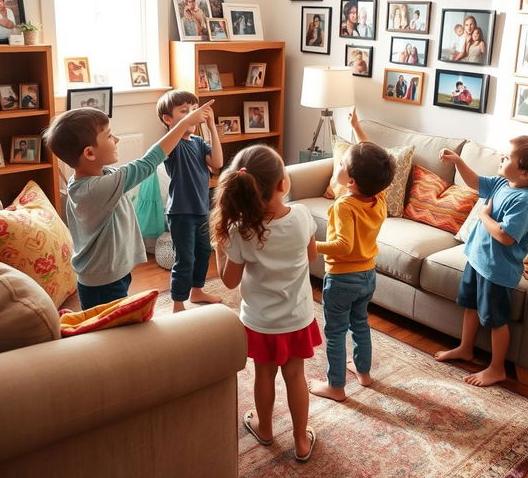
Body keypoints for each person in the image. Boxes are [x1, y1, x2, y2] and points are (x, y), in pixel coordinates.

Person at [43, 100, 213, 310]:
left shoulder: (100, 176)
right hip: (103, 283)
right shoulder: (96, 189)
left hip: (110, 275)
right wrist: (184, 123)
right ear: (89, 153)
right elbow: (148, 163)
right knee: (111, 334)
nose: (117, 139)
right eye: (109, 136)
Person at [211, 145, 320, 462]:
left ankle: (266, 427)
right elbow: (311, 256)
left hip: (261, 322)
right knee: (296, 376)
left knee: (264, 375)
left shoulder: (239, 232)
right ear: (283, 184)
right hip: (297, 317)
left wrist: (221, 245)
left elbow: (229, 281)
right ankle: (301, 440)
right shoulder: (301, 216)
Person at [435, 137, 528, 386]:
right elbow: (474, 182)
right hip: (477, 259)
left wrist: (483, 215)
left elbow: (505, 236)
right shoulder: (503, 184)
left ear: (524, 174)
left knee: (495, 320)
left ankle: (497, 368)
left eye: (507, 157)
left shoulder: (524, 201)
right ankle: (465, 348)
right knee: (470, 305)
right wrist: (458, 161)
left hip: (496, 271)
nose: (501, 158)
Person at [309, 108, 396, 402]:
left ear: (351, 181)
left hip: (343, 278)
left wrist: (313, 246)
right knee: (360, 323)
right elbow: (375, 160)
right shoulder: (379, 194)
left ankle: (335, 386)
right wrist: (358, 129)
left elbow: (343, 246)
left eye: (344, 162)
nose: (342, 160)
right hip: (368, 275)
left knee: (335, 331)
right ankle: (364, 372)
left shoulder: (344, 206)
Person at [156, 90, 223, 312]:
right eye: (184, 111)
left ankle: (197, 291)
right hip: (181, 213)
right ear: (168, 119)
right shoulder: (171, 144)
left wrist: (211, 127)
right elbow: (169, 144)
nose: (192, 115)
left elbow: (217, 163)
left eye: (194, 110)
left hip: (201, 209)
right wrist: (185, 123)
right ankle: (177, 303)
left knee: (203, 253)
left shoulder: (198, 142)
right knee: (185, 259)